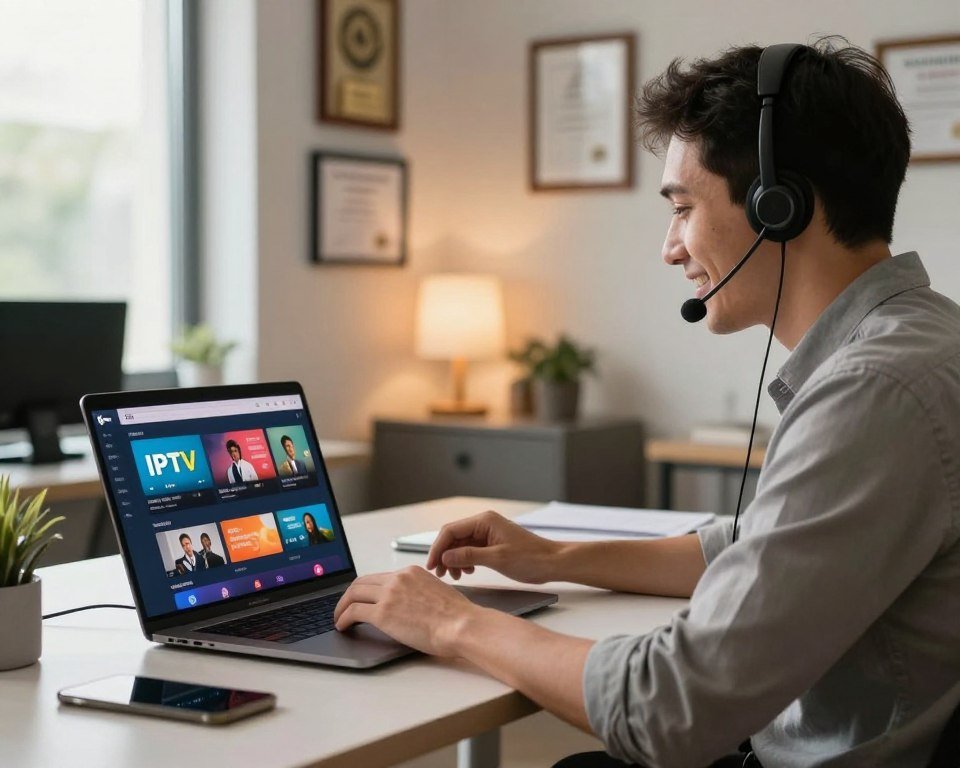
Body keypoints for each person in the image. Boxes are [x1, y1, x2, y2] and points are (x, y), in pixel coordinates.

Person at [332, 39, 960, 768]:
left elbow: (671, 708)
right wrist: (553, 556)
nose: (670, 248)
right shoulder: (925, 338)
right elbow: (764, 546)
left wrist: (451, 625)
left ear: (779, 207)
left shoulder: (873, 393)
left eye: (683, 208)